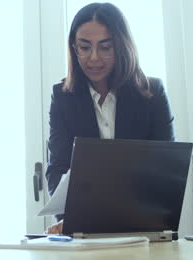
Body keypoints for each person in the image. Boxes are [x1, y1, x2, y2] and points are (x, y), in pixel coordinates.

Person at [45, 3, 174, 233]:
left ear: (122, 46)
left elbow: (167, 171)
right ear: (74, 48)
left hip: (144, 225)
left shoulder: (152, 93)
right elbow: (58, 169)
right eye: (84, 47)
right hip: (82, 227)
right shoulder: (62, 97)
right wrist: (72, 220)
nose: (93, 58)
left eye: (105, 47)